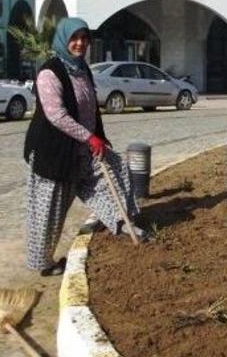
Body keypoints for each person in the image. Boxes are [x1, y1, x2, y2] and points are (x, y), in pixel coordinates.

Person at [23, 17, 144, 276]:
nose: (80, 43)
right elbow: (56, 115)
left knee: (114, 168)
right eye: (74, 38)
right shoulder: (49, 73)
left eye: (84, 38)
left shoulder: (82, 69)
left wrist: (99, 135)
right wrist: (89, 138)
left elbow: (90, 109)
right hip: (53, 154)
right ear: (63, 40)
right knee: (50, 211)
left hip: (83, 148)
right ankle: (42, 262)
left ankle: (121, 221)